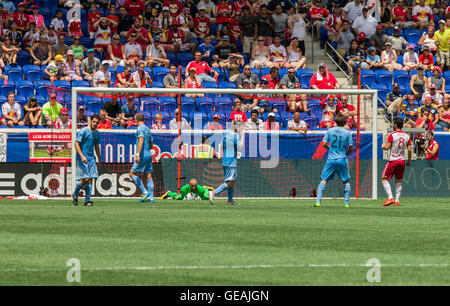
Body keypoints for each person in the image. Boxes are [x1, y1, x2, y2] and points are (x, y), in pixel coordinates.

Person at [314, 114, 353, 208]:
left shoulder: (330, 130)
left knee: (324, 180)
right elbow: (351, 147)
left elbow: (323, 144)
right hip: (342, 159)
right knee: (346, 181)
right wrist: (346, 154)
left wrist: (330, 149)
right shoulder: (347, 133)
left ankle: (318, 201)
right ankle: (346, 203)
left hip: (331, 159)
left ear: (335, 122)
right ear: (344, 123)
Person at [209, 122, 245, 206]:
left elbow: (221, 146)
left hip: (225, 160)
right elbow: (240, 147)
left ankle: (230, 201)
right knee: (230, 182)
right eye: (241, 128)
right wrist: (243, 136)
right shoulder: (234, 135)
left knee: (232, 181)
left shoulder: (226, 134)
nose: (241, 130)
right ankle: (213, 193)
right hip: (231, 162)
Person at [381, 117, 411, 207]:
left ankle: (390, 198)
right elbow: (409, 150)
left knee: (384, 179)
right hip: (402, 161)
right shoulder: (407, 136)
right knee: (398, 181)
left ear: (395, 124)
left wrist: (382, 146)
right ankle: (397, 201)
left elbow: (387, 147)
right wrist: (408, 160)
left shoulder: (392, 135)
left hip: (393, 160)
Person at [72, 114, 101, 207]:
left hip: (91, 158)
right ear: (90, 121)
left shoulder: (97, 133)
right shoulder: (83, 131)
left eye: (97, 123)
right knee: (86, 178)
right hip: (82, 158)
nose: (95, 124)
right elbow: (76, 143)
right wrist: (82, 156)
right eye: (94, 122)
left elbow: (96, 147)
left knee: (90, 178)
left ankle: (87, 200)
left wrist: (99, 159)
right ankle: (75, 193)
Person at [129, 113, 155, 203]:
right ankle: (151, 198)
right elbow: (151, 144)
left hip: (142, 155)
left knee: (131, 174)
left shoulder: (140, 129)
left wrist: (137, 154)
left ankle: (145, 192)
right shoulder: (148, 129)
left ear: (136, 120)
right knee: (148, 175)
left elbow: (141, 140)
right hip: (149, 154)